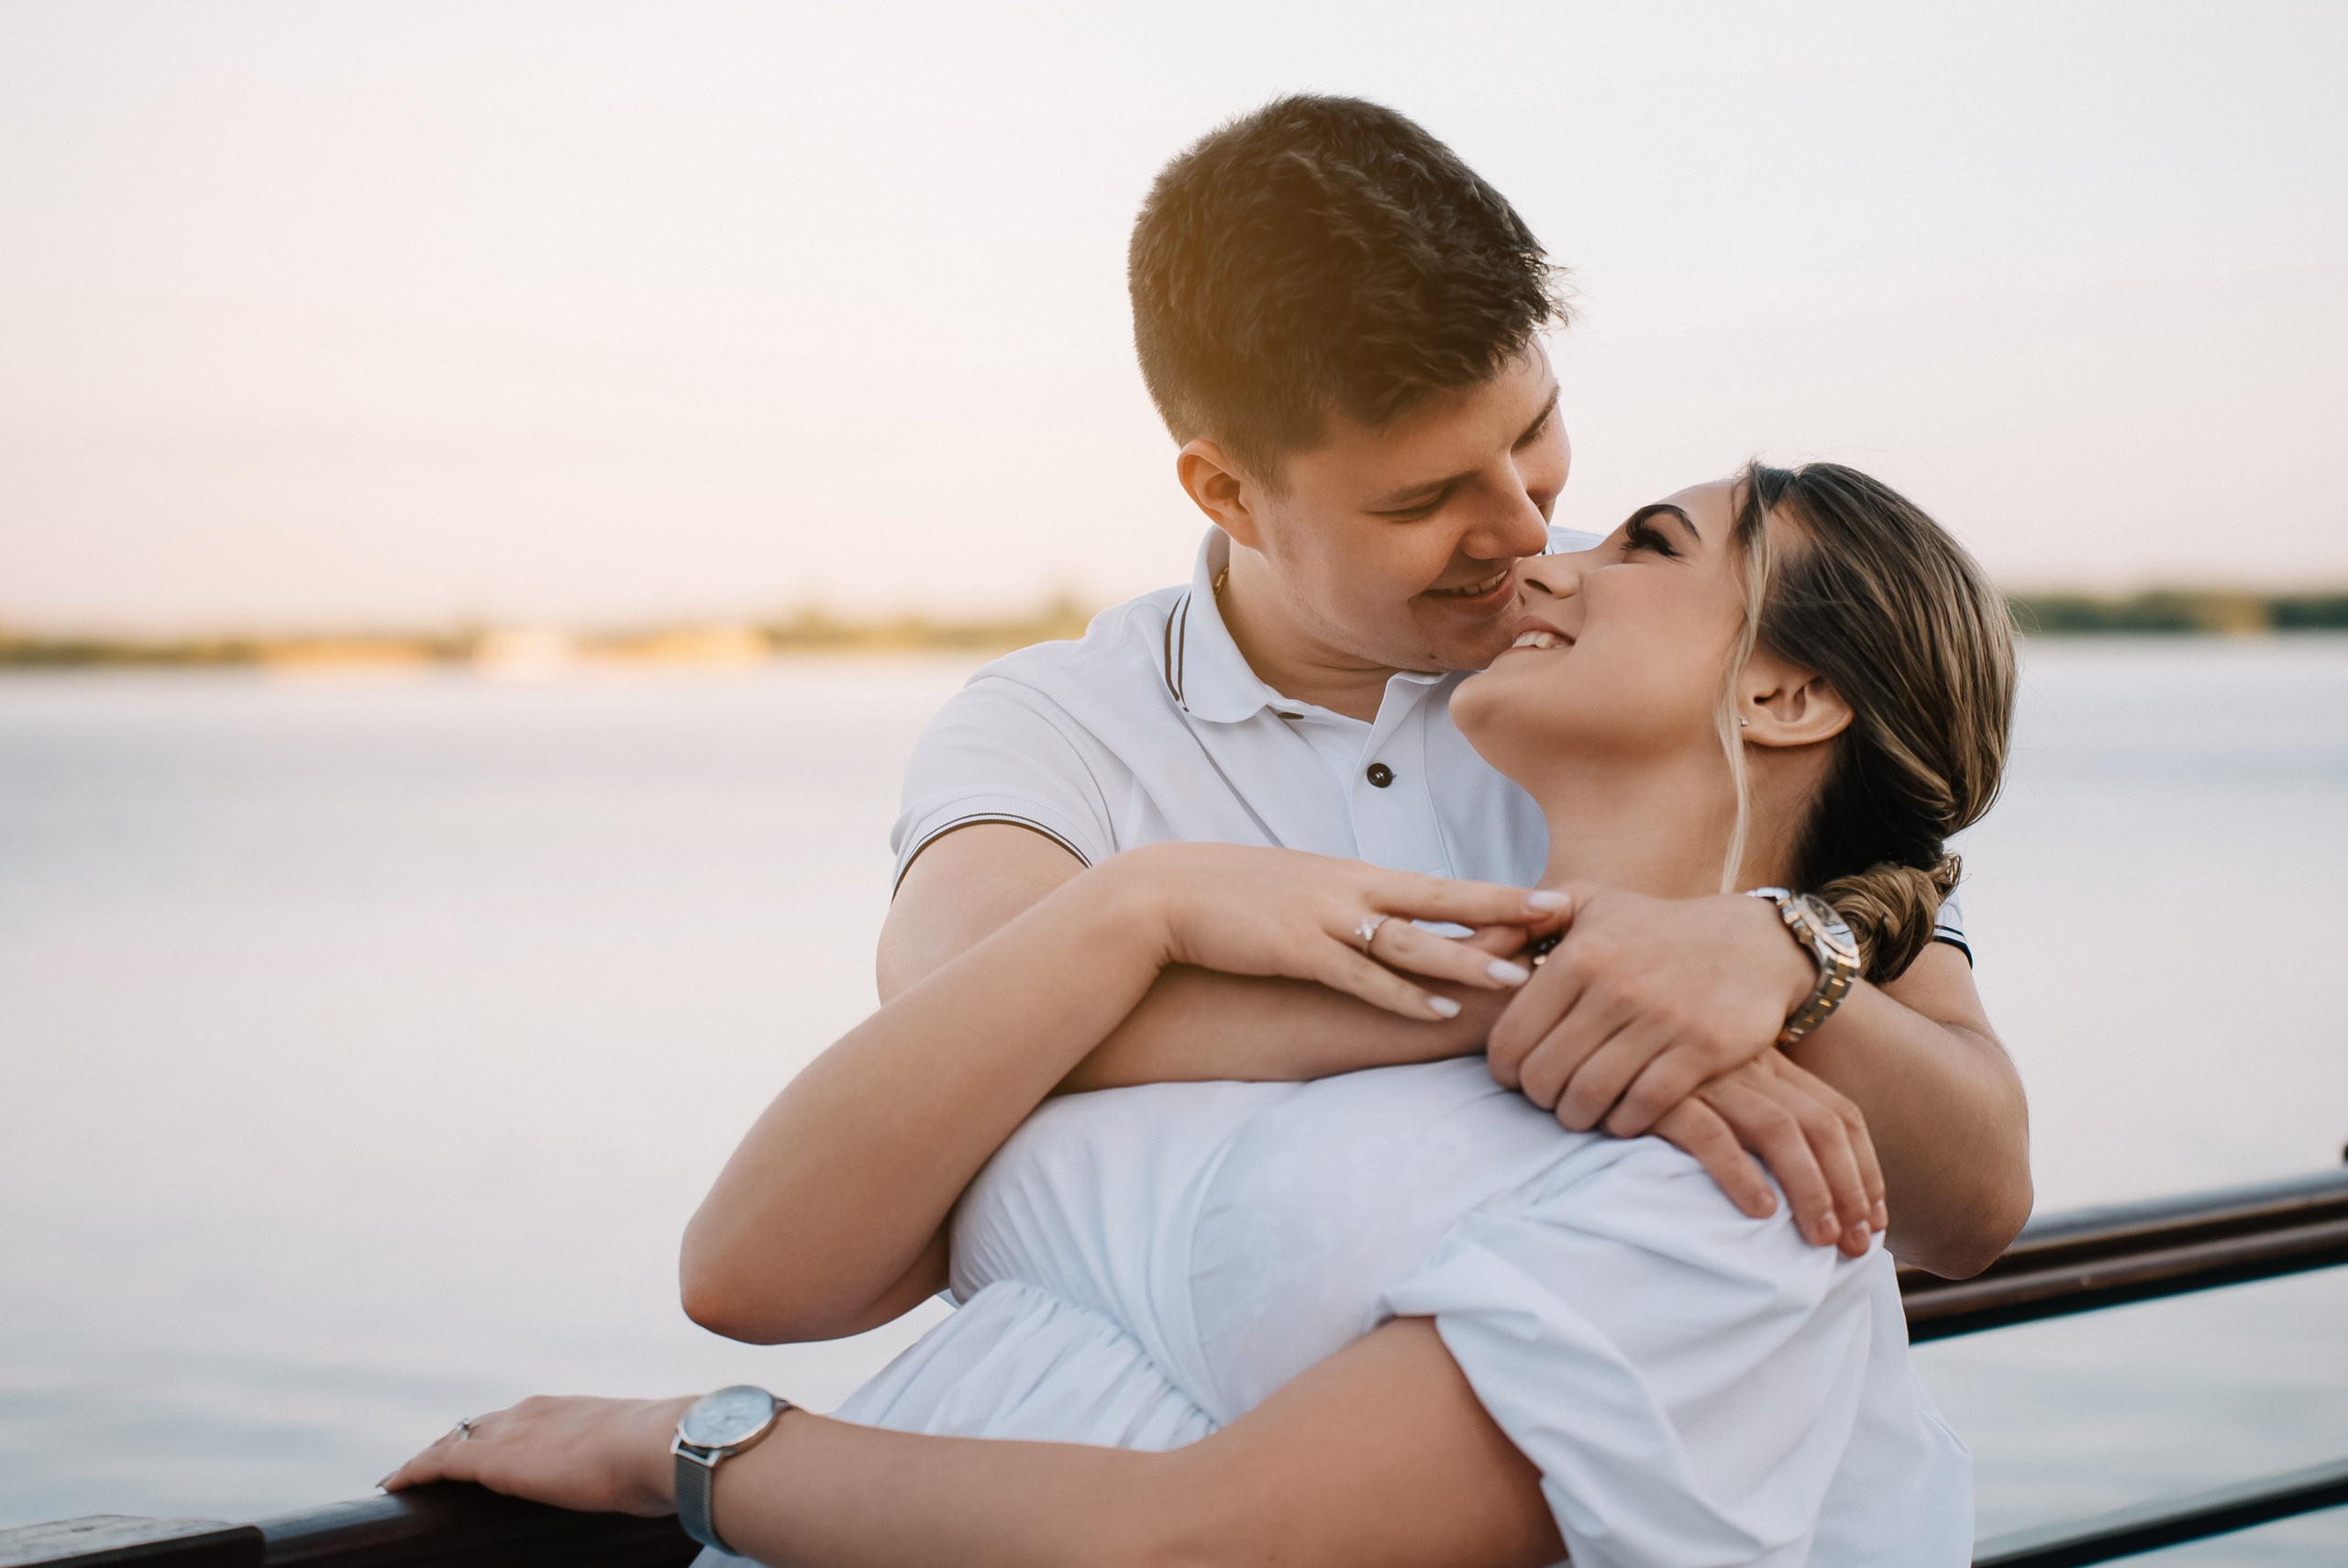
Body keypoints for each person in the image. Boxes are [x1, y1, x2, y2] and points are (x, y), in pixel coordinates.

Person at [387, 458, 2012, 1567]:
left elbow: (1188, 1543)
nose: (1538, 548)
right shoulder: (1080, 745)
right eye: (1436, 481)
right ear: (1228, 480)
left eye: (1629, 533)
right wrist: (1146, 902)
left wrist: (681, 1453)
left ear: (1786, 693)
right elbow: (753, 1261)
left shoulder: (1745, 1161)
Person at [861, 94, 2028, 1286]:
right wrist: (1567, 1004)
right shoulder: (1053, 732)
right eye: (1421, 502)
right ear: (1227, 494)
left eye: (1535, 431)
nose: (1523, 531)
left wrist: (1793, 965)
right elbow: (950, 1034)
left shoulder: (1654, 650)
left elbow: (1975, 1201)